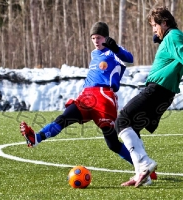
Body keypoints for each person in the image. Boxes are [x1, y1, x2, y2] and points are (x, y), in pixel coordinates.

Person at [20, 22, 156, 185]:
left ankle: (143, 168)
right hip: (86, 96)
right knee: (65, 117)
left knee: (113, 144)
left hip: (104, 97)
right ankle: (36, 138)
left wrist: (116, 49)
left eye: (98, 37)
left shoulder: (114, 52)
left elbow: (130, 59)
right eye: (93, 38)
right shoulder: (94, 54)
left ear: (105, 37)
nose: (96, 41)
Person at [115, 6, 183, 188]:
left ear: (164, 23)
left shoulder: (173, 36)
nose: (154, 30)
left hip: (157, 90)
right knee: (133, 128)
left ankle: (144, 164)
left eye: (154, 25)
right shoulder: (169, 38)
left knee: (122, 120)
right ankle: (143, 174)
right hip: (163, 93)